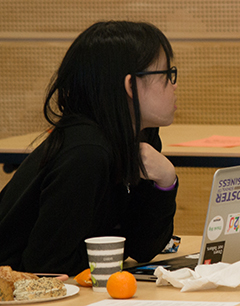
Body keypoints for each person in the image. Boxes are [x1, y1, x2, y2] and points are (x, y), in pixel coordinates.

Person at [0, 21, 179, 275]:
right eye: (165, 75)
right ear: (130, 86)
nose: (174, 85)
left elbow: (142, 247)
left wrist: (166, 181)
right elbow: (46, 267)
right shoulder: (86, 153)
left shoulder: (142, 137)